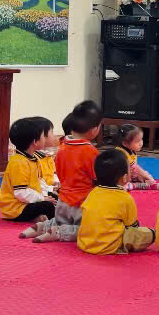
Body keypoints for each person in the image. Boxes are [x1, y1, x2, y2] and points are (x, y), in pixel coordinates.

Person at [30, 101, 102, 243]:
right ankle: (59, 233)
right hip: (81, 204)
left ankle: (43, 227)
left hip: (62, 202)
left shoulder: (62, 147)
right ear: (94, 129)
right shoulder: (91, 152)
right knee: (91, 230)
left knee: (61, 221)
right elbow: (98, 180)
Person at [77, 149, 155, 255]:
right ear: (124, 178)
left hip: (85, 243)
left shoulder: (93, 192)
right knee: (148, 233)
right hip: (109, 246)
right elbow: (132, 227)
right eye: (129, 169)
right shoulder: (125, 198)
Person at [0, 118, 57, 225]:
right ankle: (58, 223)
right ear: (35, 142)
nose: (45, 138)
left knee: (56, 198)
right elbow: (20, 192)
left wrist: (49, 190)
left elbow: (38, 181)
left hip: (27, 201)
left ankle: (40, 217)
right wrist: (43, 198)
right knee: (48, 205)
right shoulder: (19, 162)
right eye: (43, 136)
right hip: (16, 208)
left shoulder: (32, 158)